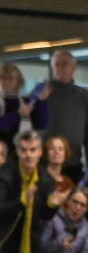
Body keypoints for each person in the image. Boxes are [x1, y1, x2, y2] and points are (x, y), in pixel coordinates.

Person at [0, 129, 70, 253]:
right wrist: (21, 202)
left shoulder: (46, 180)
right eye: (24, 150)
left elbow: (43, 217)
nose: (28, 155)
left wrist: (51, 206)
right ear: (18, 152)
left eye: (33, 150)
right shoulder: (4, 176)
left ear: (40, 152)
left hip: (29, 244)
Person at [0, 63, 50, 157]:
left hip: (19, 154)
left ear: (18, 81)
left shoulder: (24, 102)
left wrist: (42, 101)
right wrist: (18, 114)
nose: (5, 81)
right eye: (2, 77)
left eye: (10, 78)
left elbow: (41, 124)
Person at [44, 51, 87, 180]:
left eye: (64, 64)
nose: (60, 68)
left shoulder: (83, 96)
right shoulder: (42, 92)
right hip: (45, 164)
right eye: (57, 64)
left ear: (73, 67)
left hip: (73, 164)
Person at [38, 186, 88, 253]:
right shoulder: (52, 218)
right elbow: (41, 251)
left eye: (82, 205)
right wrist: (59, 244)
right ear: (68, 201)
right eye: (75, 202)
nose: (78, 207)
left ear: (86, 209)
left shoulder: (86, 228)